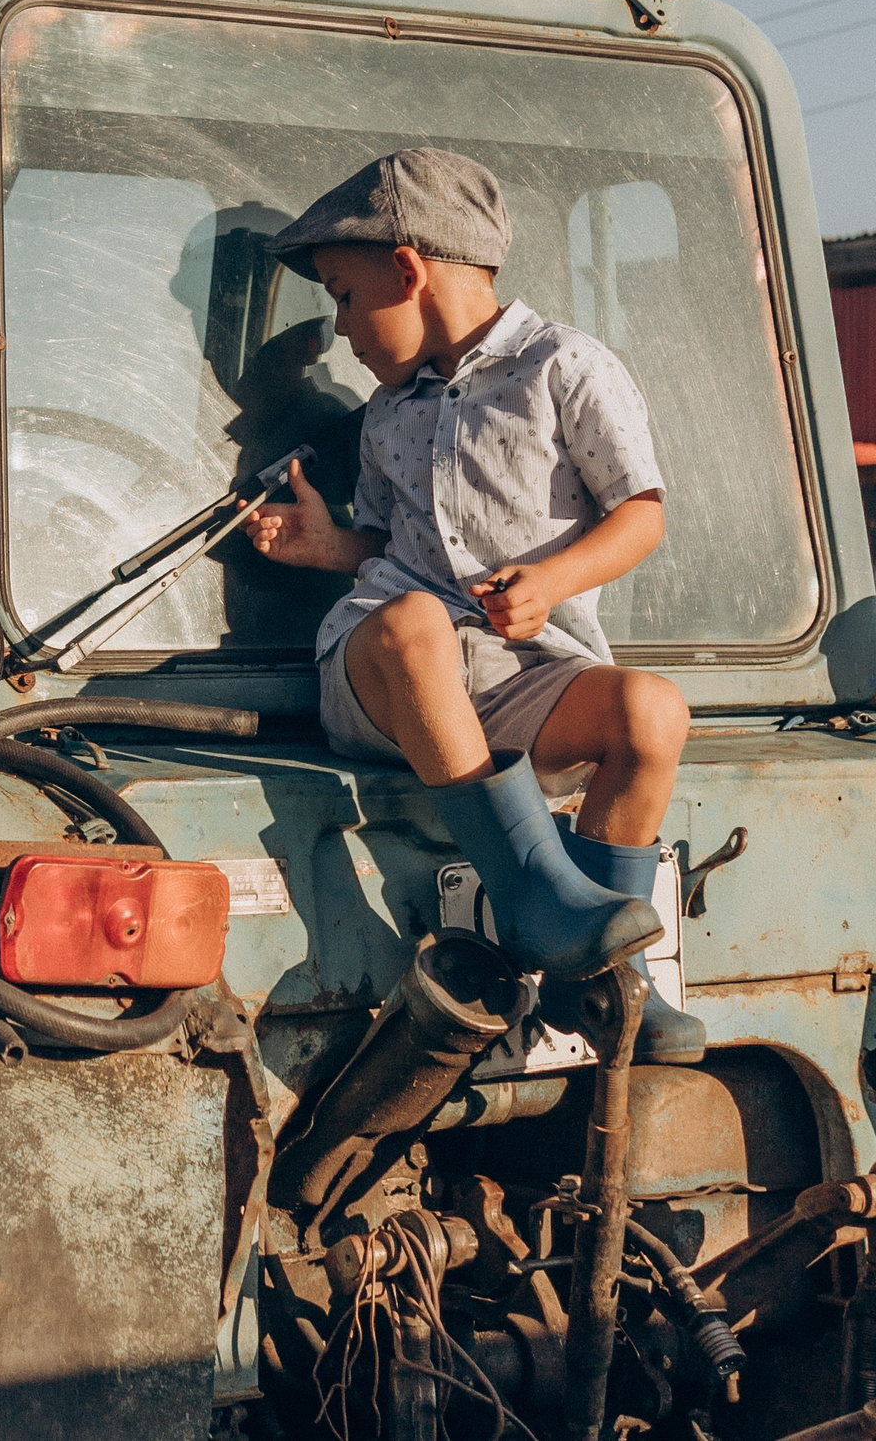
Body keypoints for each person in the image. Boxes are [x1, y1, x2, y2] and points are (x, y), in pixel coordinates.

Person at [243, 150, 702, 1063]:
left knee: (653, 712)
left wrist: (551, 583)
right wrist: (334, 548)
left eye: (343, 295)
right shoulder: (388, 413)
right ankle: (535, 893)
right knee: (414, 619)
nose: (340, 329)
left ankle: (599, 978)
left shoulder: (564, 366)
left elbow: (641, 514)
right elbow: (392, 552)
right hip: (385, 677)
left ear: (407, 268)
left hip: (515, 674)